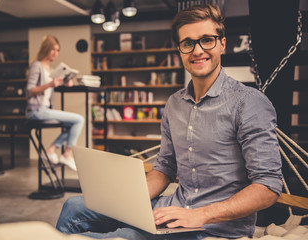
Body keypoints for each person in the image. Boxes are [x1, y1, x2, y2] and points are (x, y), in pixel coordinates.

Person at [55, 4, 282, 240]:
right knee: (73, 206)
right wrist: (130, 199)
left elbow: (268, 186)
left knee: (122, 236)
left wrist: (200, 215)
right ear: (180, 49)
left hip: (213, 226)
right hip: (172, 210)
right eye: (188, 43)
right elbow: (164, 168)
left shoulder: (249, 103)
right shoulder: (174, 103)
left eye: (207, 40)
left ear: (222, 43)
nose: (197, 50)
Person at [26, 34, 84, 171]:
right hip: (36, 111)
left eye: (58, 50)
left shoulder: (51, 69)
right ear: (46, 49)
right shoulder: (37, 65)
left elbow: (53, 85)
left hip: (45, 109)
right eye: (53, 49)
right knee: (79, 120)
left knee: (72, 124)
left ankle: (51, 150)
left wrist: (65, 82)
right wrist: (50, 84)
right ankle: (66, 154)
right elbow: (30, 90)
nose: (55, 53)